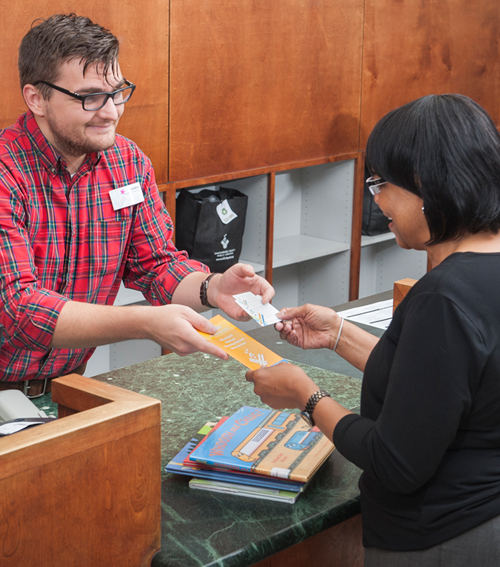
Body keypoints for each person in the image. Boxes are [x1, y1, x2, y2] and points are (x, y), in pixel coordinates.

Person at [246, 94, 500, 566]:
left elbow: (395, 462)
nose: (375, 199)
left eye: (381, 183)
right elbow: (442, 382)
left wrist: (304, 393)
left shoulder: (443, 298)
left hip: (440, 535)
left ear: (426, 183)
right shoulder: (481, 275)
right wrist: (340, 333)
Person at [0, 13, 274, 394]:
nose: (111, 112)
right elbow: (19, 310)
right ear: (37, 98)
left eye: (117, 92)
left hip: (66, 384)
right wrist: (144, 323)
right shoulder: (6, 172)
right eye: (90, 97)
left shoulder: (127, 163)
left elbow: (156, 266)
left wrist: (212, 288)